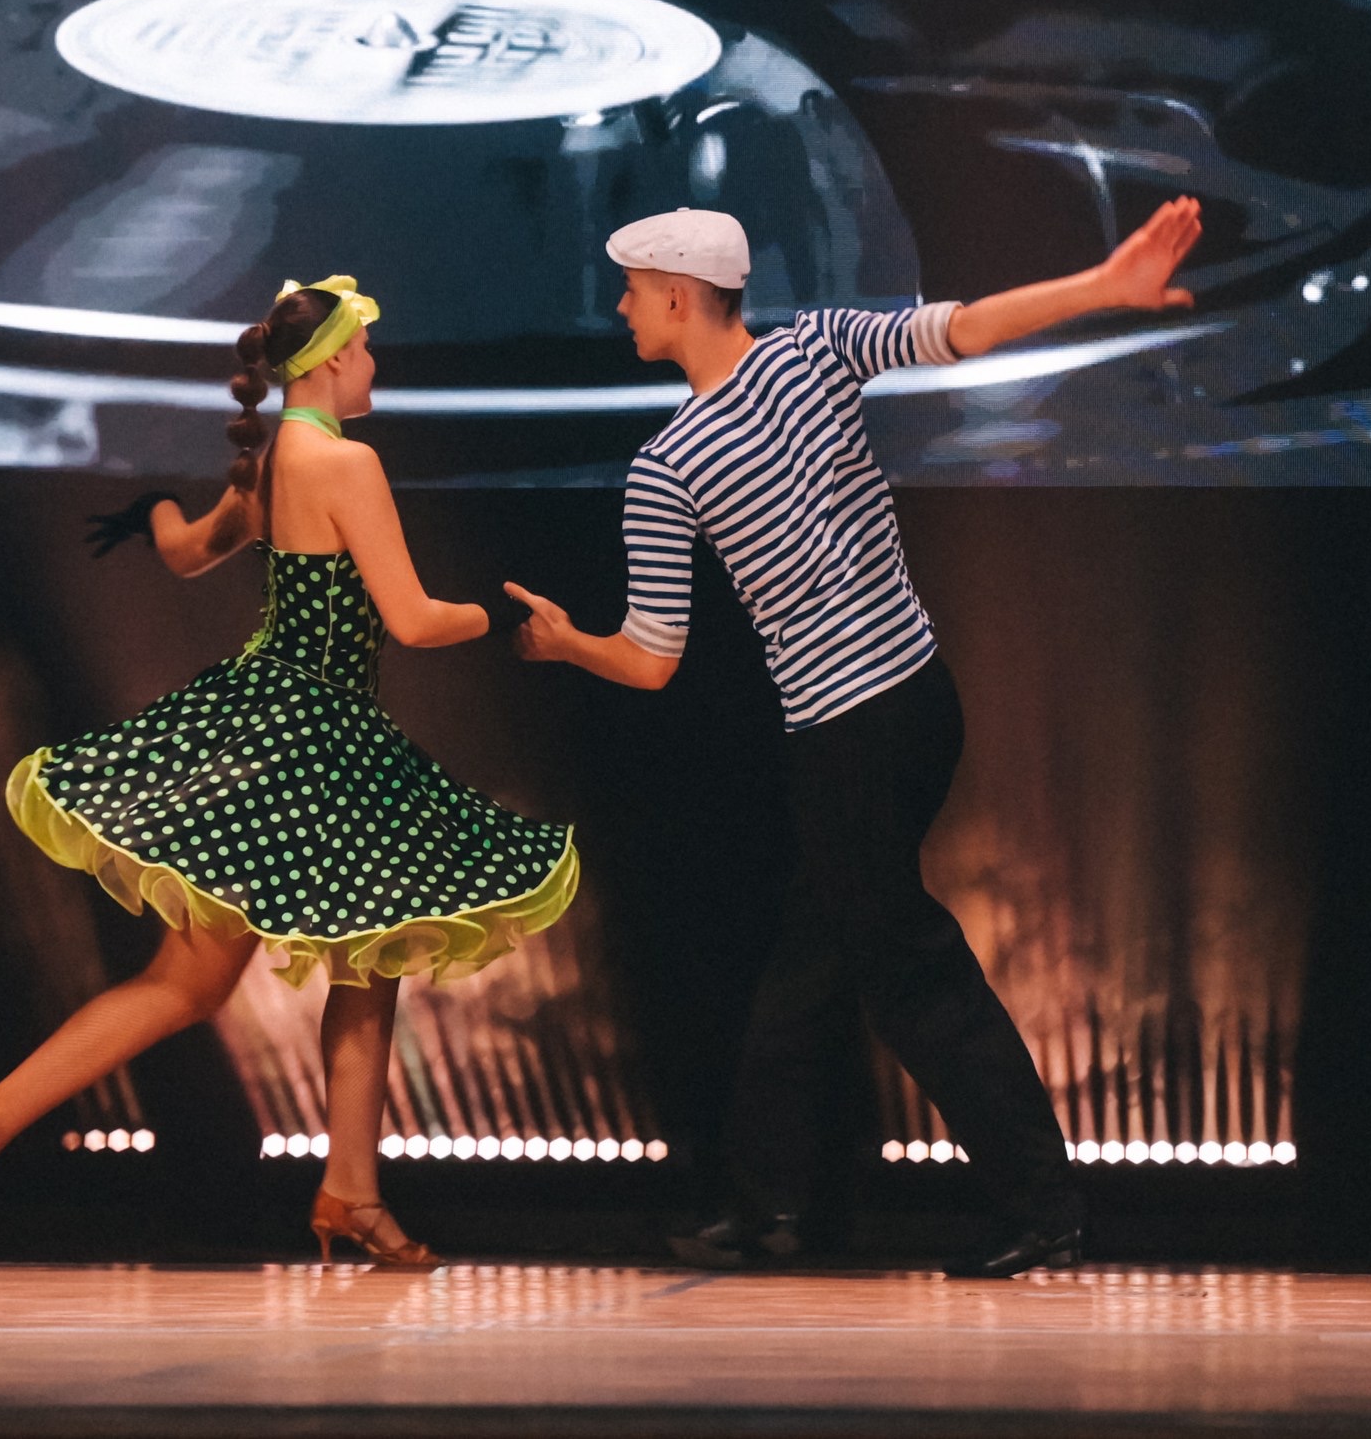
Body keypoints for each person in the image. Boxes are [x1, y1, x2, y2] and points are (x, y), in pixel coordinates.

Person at [506, 199, 1205, 1276]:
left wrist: (564, 645)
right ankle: (766, 1203)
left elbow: (648, 659)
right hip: (919, 703)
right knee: (813, 954)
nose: (622, 307)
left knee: (909, 973)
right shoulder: (817, 347)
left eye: (634, 290)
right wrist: (1101, 287)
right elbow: (963, 328)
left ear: (680, 297)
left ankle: (1041, 1204)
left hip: (846, 734)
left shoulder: (668, 464)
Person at [0, 276, 579, 1266]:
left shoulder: (270, 462)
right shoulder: (345, 462)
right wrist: (507, 614)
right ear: (336, 358)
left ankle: (350, 1189)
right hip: (304, 740)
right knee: (199, 981)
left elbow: (186, 553)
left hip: (280, 726)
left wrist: (153, 511)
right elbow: (412, 619)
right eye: (368, 350)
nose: (375, 366)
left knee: (364, 959)